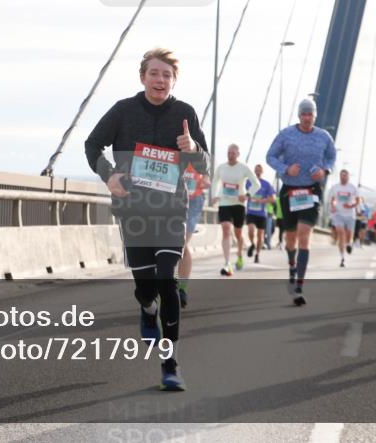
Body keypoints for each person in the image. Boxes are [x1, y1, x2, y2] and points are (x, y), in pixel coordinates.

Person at [84, 48, 208, 391]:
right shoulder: (123, 111)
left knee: (167, 279)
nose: (160, 80)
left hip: (171, 210)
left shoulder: (185, 113)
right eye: (154, 73)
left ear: (173, 81)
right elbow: (92, 145)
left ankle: (170, 363)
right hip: (134, 211)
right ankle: (147, 307)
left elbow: (204, 166)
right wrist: (109, 175)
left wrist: (192, 148)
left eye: (167, 75)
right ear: (143, 77)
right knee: (145, 288)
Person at [266, 97, 337, 306]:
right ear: (299, 115)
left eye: (310, 114)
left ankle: (299, 285)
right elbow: (270, 156)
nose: (307, 118)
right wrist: (286, 169)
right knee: (290, 239)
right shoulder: (286, 134)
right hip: (289, 191)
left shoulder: (324, 136)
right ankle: (291, 266)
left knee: (304, 236)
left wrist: (326, 170)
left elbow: (332, 157)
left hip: (311, 191)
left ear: (315, 116)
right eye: (304, 114)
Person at [211, 145, 261, 275]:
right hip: (224, 202)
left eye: (233, 153)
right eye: (228, 152)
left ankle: (239, 255)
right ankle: (227, 263)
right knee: (226, 229)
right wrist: (214, 196)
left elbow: (256, 184)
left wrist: (247, 195)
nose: (230, 155)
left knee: (238, 234)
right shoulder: (221, 167)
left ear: (238, 154)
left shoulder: (243, 168)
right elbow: (215, 182)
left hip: (239, 204)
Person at [178, 163, 208, 308]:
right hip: (172, 199)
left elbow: (206, 173)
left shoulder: (198, 149)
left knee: (182, 243)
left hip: (193, 200)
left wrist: (206, 180)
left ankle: (182, 288)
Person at [245, 164, 277, 264]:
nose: (257, 172)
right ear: (254, 171)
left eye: (259, 170)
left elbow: (273, 199)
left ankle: (257, 254)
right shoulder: (248, 182)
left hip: (262, 214)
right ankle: (252, 244)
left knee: (260, 236)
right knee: (250, 230)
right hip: (250, 212)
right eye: (256, 170)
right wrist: (247, 197)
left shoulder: (266, 184)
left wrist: (263, 200)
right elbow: (242, 192)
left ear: (262, 172)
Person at [328, 169, 359, 267]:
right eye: (341, 175)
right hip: (338, 214)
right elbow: (332, 200)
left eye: (345, 175)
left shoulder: (352, 188)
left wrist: (350, 206)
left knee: (349, 235)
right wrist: (333, 206)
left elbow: (358, 201)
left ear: (348, 177)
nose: (343, 177)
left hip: (350, 215)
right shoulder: (335, 187)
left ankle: (349, 244)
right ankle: (342, 258)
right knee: (341, 234)